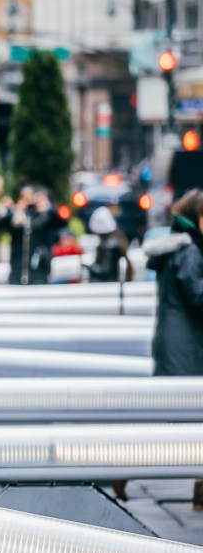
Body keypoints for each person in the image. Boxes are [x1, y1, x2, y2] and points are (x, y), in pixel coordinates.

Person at [121, 190, 203, 506]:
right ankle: (120, 461)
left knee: (183, 419)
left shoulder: (180, 248)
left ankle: (199, 487)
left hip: (178, 343)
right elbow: (198, 297)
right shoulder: (190, 253)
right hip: (185, 348)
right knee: (181, 419)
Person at [1, 185, 57, 285]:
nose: (29, 202)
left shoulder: (44, 216)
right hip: (17, 269)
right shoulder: (16, 217)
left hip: (39, 267)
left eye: (31, 198)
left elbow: (61, 223)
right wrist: (14, 210)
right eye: (24, 199)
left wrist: (47, 208)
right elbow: (0, 225)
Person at [86, 207, 131, 283]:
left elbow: (106, 271)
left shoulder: (110, 246)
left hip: (108, 285)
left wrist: (88, 268)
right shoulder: (115, 242)